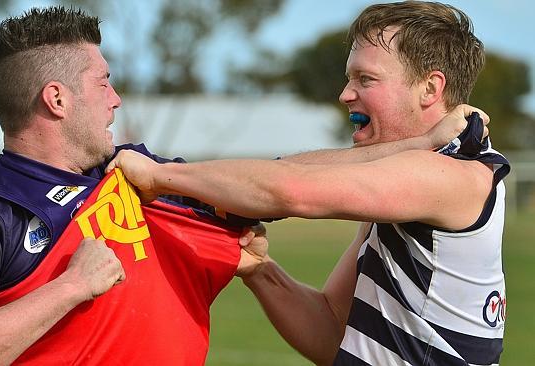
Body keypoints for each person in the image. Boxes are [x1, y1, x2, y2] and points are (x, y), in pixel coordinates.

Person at [108, 2, 510, 365]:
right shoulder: (406, 183)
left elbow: (290, 190)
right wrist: (260, 271)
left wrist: (160, 177)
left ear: (430, 88)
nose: (345, 94)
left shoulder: (455, 176)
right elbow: (332, 332)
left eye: (365, 79)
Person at [0, 7, 264, 365]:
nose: (115, 99)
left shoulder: (138, 173)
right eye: (104, 82)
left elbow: (271, 191)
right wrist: (71, 286)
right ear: (57, 99)